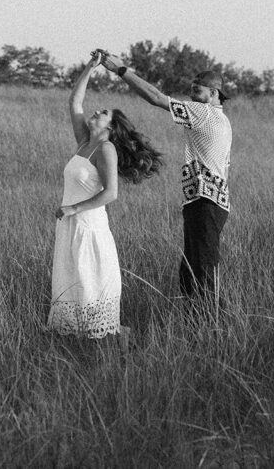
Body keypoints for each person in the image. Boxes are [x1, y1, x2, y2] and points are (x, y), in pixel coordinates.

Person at [99, 51, 233, 308]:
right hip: (205, 202)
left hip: (206, 202)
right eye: (192, 90)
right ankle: (198, 326)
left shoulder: (203, 113)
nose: (193, 96)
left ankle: (211, 328)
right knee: (192, 272)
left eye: (198, 91)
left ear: (215, 94)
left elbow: (156, 98)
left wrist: (121, 70)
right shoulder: (222, 120)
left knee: (201, 273)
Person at [48, 51, 163, 339]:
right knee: (71, 282)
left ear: (110, 127)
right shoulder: (84, 142)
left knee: (89, 284)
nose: (96, 113)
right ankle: (78, 338)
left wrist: (74, 208)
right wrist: (91, 66)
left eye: (103, 114)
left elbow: (111, 193)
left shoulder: (106, 149)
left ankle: (117, 338)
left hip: (88, 226)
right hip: (70, 226)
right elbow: (74, 101)